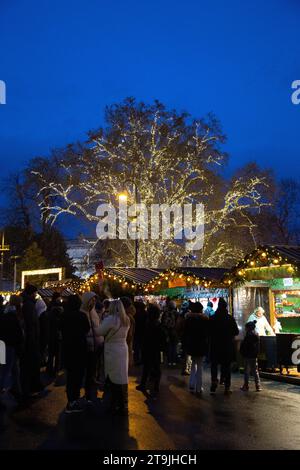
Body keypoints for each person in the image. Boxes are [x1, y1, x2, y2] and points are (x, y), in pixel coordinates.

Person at [99, 299, 130, 415]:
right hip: (123, 349)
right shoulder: (126, 319)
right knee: (121, 377)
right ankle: (122, 404)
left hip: (112, 350)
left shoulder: (110, 319)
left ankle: (112, 404)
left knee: (112, 378)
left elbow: (99, 331)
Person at [61, 295, 90, 413]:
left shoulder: (64, 315)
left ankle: (71, 400)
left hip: (67, 348)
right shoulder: (82, 316)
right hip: (79, 348)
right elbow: (86, 329)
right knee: (78, 375)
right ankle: (74, 400)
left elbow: (60, 329)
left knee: (70, 375)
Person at [209, 298, 239, 395]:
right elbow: (236, 331)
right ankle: (227, 387)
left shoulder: (213, 318)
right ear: (226, 307)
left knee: (214, 364)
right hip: (227, 346)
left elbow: (208, 332)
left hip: (215, 345)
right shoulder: (229, 318)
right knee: (226, 366)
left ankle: (214, 381)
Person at [136, 304, 167, 398]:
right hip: (156, 349)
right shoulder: (159, 324)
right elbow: (163, 338)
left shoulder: (147, 323)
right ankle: (156, 385)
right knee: (157, 367)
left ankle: (143, 384)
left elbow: (143, 337)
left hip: (147, 348)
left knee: (146, 367)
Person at [20, 284, 44, 399]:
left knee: (28, 365)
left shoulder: (27, 303)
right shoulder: (29, 305)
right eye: (35, 292)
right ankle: (29, 388)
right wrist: (33, 339)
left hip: (31, 339)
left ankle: (28, 387)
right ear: (32, 293)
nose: (36, 294)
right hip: (30, 340)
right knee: (30, 365)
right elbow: (31, 324)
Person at [80, 292, 104, 402]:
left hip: (96, 345)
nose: (93, 302)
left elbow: (97, 327)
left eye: (95, 300)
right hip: (87, 346)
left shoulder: (93, 312)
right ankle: (87, 391)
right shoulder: (82, 312)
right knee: (87, 370)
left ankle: (90, 387)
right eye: (92, 300)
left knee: (92, 368)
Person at [0, 295, 24, 401]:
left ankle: (17, 389)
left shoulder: (5, 312)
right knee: (6, 370)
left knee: (11, 368)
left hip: (4, 344)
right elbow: (18, 332)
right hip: (10, 345)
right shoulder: (13, 315)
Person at [183, 302, 209, 396]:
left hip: (192, 344)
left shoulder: (188, 319)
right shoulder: (205, 319)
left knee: (193, 363)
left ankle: (191, 384)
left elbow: (185, 333)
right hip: (201, 344)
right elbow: (208, 333)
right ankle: (199, 387)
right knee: (200, 365)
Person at [240, 320, 262, 392]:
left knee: (246, 371)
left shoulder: (248, 336)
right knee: (255, 371)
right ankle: (257, 386)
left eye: (246, 328)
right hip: (254, 355)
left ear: (248, 328)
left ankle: (246, 386)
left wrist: (242, 352)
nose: (245, 329)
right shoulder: (256, 335)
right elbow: (258, 347)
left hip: (247, 355)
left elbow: (244, 346)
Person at [46, 293, 64, 376]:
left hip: (50, 334)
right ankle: (56, 369)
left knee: (51, 353)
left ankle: (49, 368)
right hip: (57, 334)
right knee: (57, 354)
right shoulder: (59, 309)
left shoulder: (49, 308)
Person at [161, 300, 179, 366]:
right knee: (174, 346)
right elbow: (178, 323)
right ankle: (174, 361)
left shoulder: (165, 313)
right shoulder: (176, 313)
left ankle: (169, 361)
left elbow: (162, 323)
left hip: (167, 332)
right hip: (174, 332)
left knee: (168, 346)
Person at [120, 297, 136, 368]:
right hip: (126, 342)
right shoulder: (130, 316)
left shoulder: (127, 318)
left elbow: (130, 334)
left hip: (124, 342)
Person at [133, 301, 147, 366]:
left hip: (136, 332)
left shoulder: (135, 314)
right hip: (144, 332)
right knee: (142, 347)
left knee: (137, 347)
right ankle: (142, 359)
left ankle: (137, 360)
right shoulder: (145, 314)